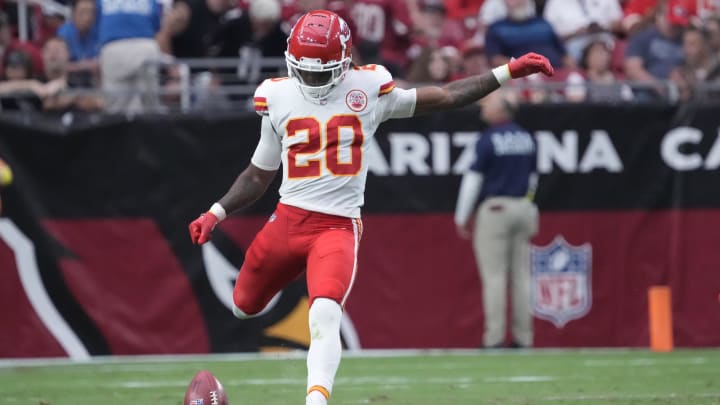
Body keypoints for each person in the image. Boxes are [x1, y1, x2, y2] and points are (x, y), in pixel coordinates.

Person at [188, 10, 553, 405]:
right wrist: (216, 212)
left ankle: (316, 400)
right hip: (288, 220)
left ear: (345, 62)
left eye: (320, 71)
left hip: (337, 227)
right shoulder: (277, 95)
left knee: (325, 315)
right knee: (243, 306)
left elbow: (445, 96)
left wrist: (506, 72)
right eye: (304, 70)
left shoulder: (369, 88)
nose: (311, 79)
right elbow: (259, 174)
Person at [454, 89, 538, 349]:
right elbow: (534, 178)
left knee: (494, 277)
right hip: (524, 206)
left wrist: (461, 216)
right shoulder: (526, 137)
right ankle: (524, 338)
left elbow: (473, 180)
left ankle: (495, 338)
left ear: (502, 110)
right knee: (521, 276)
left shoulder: (488, 139)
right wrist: (528, 202)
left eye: (488, 104)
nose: (483, 108)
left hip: (496, 209)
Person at [97, 0, 164, 113]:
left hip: (114, 47)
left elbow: (96, 21)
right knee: (149, 105)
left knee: (116, 106)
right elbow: (156, 24)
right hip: (144, 46)